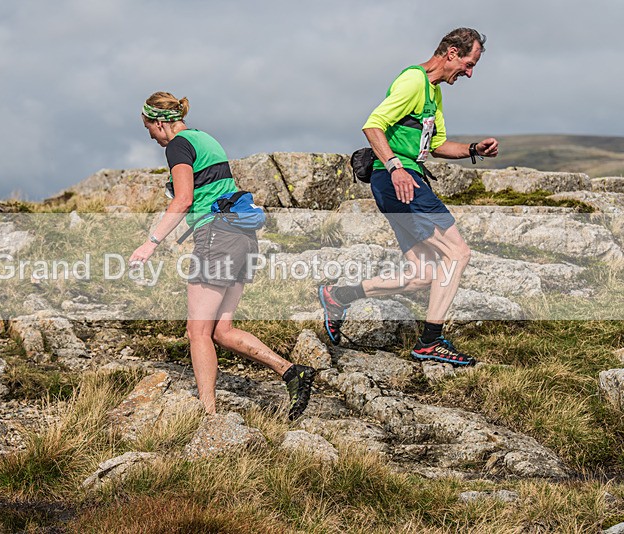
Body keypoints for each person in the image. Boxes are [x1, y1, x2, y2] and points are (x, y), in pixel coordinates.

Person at [318, 28, 499, 366]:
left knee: (423, 274)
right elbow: (373, 125)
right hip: (400, 181)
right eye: (469, 63)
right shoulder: (414, 81)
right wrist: (396, 166)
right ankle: (430, 341)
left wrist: (474, 149)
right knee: (458, 253)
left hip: (399, 182)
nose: (469, 72)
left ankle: (337, 296)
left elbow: (436, 145)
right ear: (452, 53)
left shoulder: (433, 93)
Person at [129, 91, 315, 419]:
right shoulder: (205, 139)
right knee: (221, 331)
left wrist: (151, 242)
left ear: (159, 123)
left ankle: (208, 416)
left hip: (217, 236)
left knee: (197, 331)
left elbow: (183, 199)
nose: (152, 139)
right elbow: (208, 189)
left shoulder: (178, 145)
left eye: (149, 130)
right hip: (242, 236)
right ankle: (291, 372)